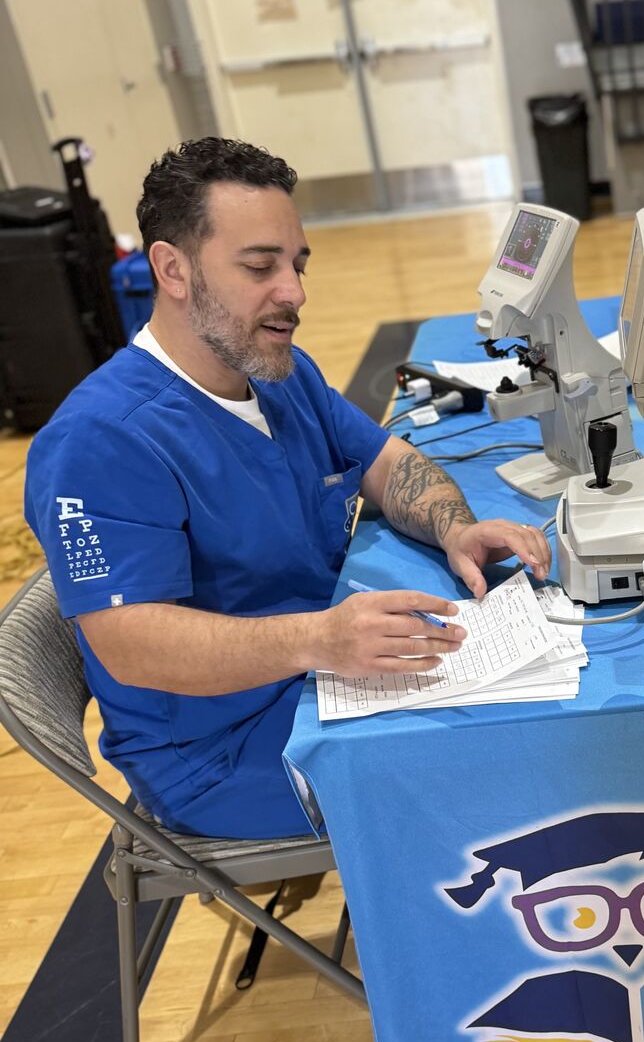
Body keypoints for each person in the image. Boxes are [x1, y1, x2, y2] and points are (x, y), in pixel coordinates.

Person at [24, 138, 550, 841]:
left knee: (535, 718)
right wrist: (322, 639)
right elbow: (129, 644)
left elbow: (385, 460)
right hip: (222, 754)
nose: (295, 292)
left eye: (297, 264)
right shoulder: (102, 441)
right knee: (506, 766)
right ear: (172, 268)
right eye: (259, 266)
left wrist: (454, 526)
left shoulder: (278, 372)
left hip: (319, 679)